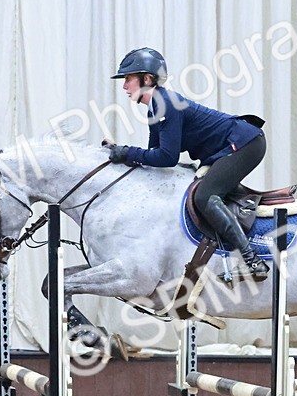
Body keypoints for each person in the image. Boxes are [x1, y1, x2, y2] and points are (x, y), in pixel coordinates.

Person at [105, 47, 269, 280]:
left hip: (245, 142)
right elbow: (154, 155)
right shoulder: (155, 109)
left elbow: (167, 157)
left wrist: (127, 152)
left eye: (128, 79)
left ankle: (253, 262)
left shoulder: (167, 103)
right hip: (232, 146)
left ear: (147, 79)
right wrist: (123, 155)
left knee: (205, 197)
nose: (124, 86)